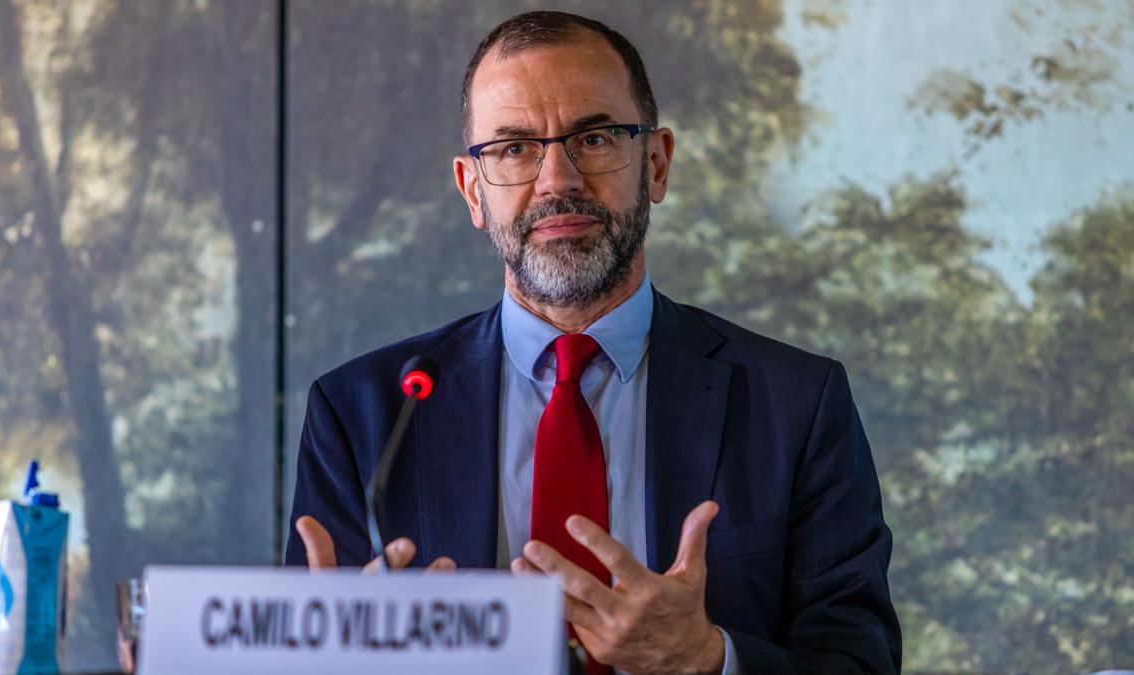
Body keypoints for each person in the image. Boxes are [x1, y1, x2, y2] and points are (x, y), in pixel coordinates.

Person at [286, 10, 902, 674]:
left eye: (597, 136)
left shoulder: (797, 405)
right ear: (472, 190)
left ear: (657, 164)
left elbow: (859, 660)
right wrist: (334, 658)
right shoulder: (361, 414)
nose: (558, 180)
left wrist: (707, 657)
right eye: (515, 147)